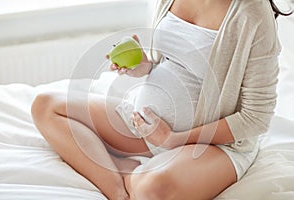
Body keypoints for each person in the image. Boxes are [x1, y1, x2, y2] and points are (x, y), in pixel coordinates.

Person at [31, 0, 292, 199]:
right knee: (46, 106)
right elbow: (172, 62)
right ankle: (117, 189)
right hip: (143, 123)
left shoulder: (251, 13)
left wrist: (172, 139)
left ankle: (132, 172)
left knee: (152, 190)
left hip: (210, 145)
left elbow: (256, 117)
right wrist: (144, 65)